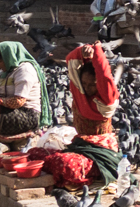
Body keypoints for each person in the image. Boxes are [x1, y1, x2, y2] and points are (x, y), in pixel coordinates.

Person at [33, 43, 124, 189]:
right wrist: (83, 51)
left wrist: (97, 52)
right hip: (80, 146)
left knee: (65, 164)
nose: (87, 88)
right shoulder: (79, 93)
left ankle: (96, 173)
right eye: (84, 83)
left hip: (100, 153)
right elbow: (71, 60)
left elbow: (104, 75)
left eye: (92, 84)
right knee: (35, 153)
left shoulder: (105, 102)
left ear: (99, 84)